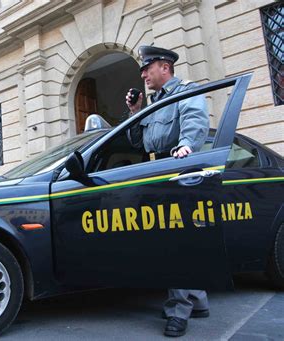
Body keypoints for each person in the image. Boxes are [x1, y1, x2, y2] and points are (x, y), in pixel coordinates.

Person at [125, 45, 210, 337]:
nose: (143, 74)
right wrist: (135, 112)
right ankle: (196, 300)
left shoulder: (185, 91)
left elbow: (195, 120)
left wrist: (187, 144)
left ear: (164, 67)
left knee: (176, 243)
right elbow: (138, 142)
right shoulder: (154, 103)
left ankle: (178, 311)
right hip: (155, 173)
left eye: (147, 68)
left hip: (177, 169)